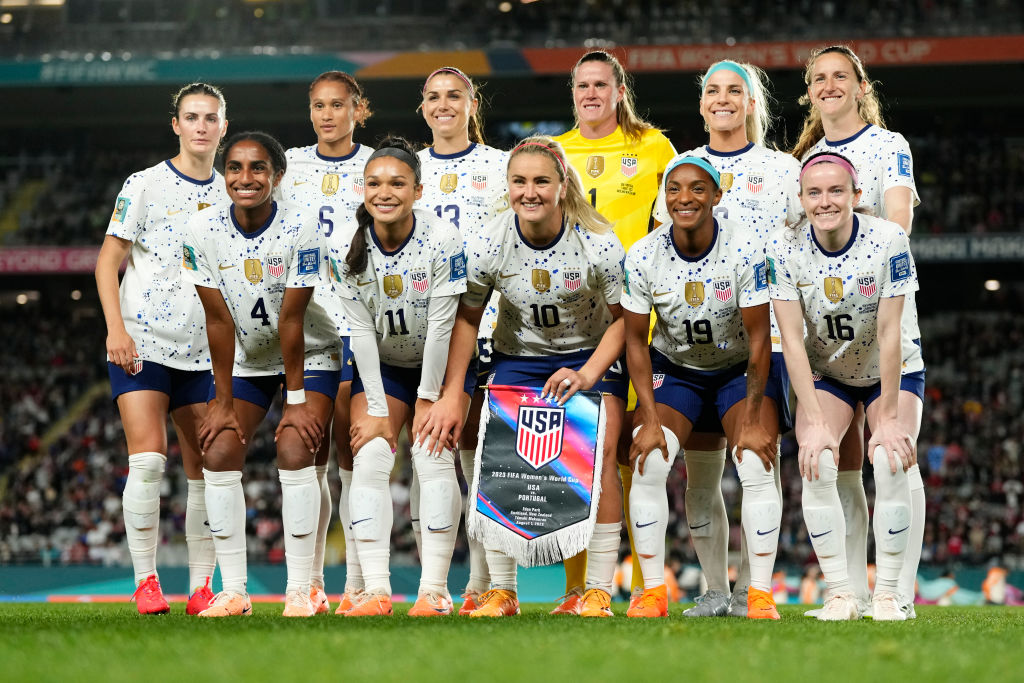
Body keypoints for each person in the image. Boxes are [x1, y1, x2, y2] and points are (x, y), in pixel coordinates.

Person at [418, 136, 627, 618]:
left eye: (540, 181)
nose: (529, 192)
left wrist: (588, 373)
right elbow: (467, 320)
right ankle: (503, 591)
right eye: (519, 181)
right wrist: (453, 392)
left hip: (589, 353)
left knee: (603, 452)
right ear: (507, 186)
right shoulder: (489, 241)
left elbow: (626, 321)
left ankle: (597, 591)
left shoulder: (597, 241)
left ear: (562, 186)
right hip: (520, 355)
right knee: (502, 454)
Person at [651, 60, 801, 618]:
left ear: (751, 103)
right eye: (712, 90)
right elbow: (660, 252)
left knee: (758, 460)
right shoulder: (681, 169)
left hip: (762, 346)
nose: (722, 99)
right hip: (691, 350)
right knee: (702, 474)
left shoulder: (783, 170)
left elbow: (803, 248)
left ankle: (754, 591)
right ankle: (715, 590)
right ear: (701, 105)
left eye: (734, 90)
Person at [182, 131, 340, 618]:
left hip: (311, 352)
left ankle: (301, 589)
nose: (244, 178)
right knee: (219, 447)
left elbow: (293, 319)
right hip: (249, 357)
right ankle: (235, 592)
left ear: (277, 175)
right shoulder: (200, 229)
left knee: (294, 446)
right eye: (234, 167)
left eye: (256, 168)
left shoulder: (303, 226)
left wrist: (295, 402)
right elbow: (218, 319)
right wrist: (223, 401)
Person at [792, 45, 924, 618]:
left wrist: (854, 255)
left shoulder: (887, 146)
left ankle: (896, 592)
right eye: (818, 78)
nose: (829, 86)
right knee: (828, 464)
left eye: (839, 76)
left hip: (884, 320)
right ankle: (845, 593)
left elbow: (898, 224)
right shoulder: (805, 159)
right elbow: (795, 240)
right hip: (829, 347)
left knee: (892, 454)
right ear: (809, 90)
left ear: (860, 85)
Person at [622, 156, 781, 619]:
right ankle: (663, 592)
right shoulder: (644, 254)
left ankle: (758, 594)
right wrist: (649, 419)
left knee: (754, 463)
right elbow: (635, 341)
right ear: (663, 197)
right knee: (649, 461)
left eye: (696, 188)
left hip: (736, 370)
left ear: (717, 195)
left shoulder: (745, 247)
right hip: (678, 369)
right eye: (674, 189)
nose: (684, 198)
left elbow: (758, 340)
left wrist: (751, 418)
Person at [95, 82, 229, 615]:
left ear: (223, 126)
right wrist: (115, 329)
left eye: (210, 117)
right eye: (191, 117)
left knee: (208, 468)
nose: (200, 125)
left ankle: (201, 587)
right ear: (175, 125)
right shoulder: (144, 184)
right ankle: (146, 582)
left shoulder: (232, 193)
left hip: (204, 352)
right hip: (143, 342)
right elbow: (108, 261)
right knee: (149, 460)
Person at [552, 49, 677, 614]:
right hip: (573, 321)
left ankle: (648, 586)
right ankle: (578, 589)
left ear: (619, 90)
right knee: (575, 455)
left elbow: (669, 232)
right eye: (582, 86)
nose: (590, 94)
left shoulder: (653, 147)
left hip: (638, 320)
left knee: (635, 454)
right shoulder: (556, 152)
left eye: (601, 84)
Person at [337, 136, 469, 617]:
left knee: (433, 455)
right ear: (362, 188)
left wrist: (431, 398)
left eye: (397, 183)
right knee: (370, 455)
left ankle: (434, 590)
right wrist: (376, 409)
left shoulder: (443, 239)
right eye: (374, 182)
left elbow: (441, 327)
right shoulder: (345, 252)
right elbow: (360, 334)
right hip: (385, 366)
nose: (384, 191)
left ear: (418, 190)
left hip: (445, 364)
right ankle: (375, 591)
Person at [415, 66, 508, 615]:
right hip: (423, 332)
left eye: (455, 96)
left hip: (490, 324)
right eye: (434, 97)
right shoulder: (405, 168)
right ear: (422, 107)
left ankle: (483, 583)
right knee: (430, 457)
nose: (444, 104)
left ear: (473, 104)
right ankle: (435, 583)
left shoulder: (500, 167)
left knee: (480, 459)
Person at [285, 70, 374, 615]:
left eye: (337, 105)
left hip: (364, 319)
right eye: (318, 105)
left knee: (353, 449)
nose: (326, 115)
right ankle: (312, 582)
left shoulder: (379, 166)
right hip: (308, 320)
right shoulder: (289, 166)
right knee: (308, 448)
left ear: (357, 109)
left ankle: (357, 584)